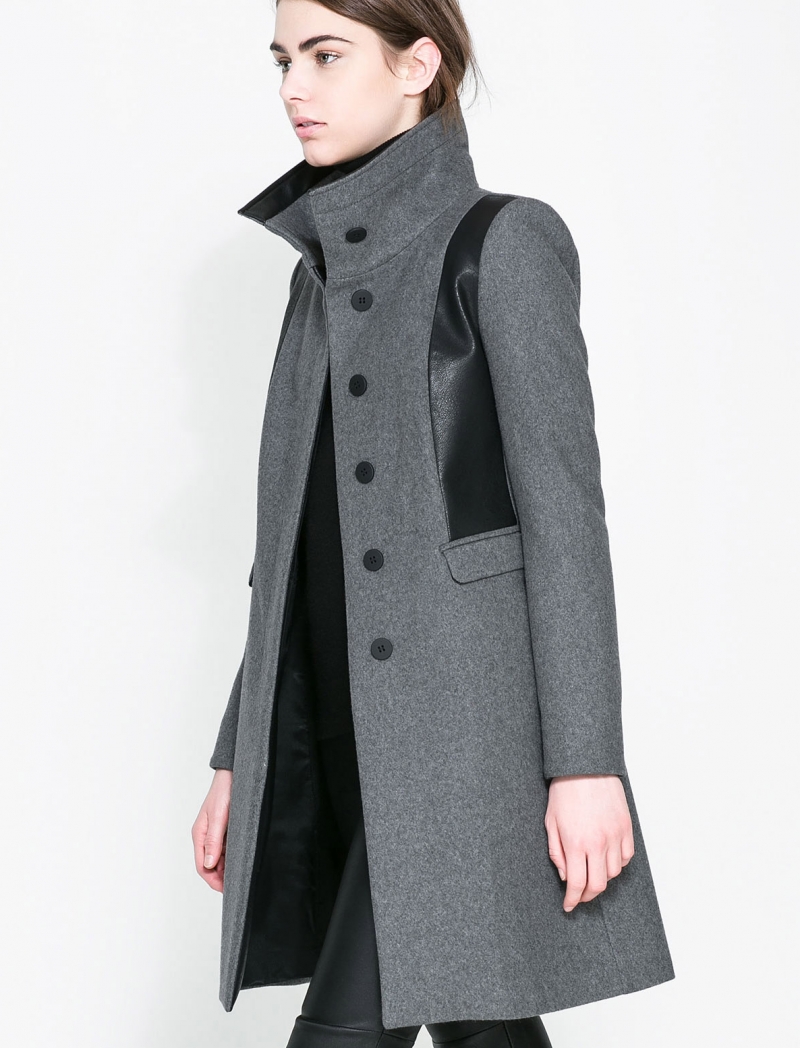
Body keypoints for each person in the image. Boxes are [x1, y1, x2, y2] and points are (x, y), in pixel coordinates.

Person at [192, 1, 675, 1045]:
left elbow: (564, 521)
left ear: (418, 65)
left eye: (326, 56)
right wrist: (241, 752)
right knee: (481, 1027)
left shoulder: (503, 243)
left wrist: (585, 761)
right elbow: (290, 547)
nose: (294, 88)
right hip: (338, 719)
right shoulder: (316, 280)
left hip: (461, 736)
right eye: (283, 60)